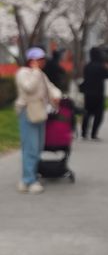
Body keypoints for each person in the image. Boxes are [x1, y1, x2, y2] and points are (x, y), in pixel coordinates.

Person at [14, 47, 62, 193]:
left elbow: (50, 87)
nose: (42, 62)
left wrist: (57, 95)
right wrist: (35, 72)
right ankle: (29, 180)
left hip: (40, 112)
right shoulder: (23, 73)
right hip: (28, 112)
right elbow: (29, 88)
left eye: (42, 59)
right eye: (40, 59)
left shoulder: (40, 74)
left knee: (38, 147)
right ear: (32, 61)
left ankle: (29, 177)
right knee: (30, 147)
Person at [81, 47, 108, 140]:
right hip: (98, 94)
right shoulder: (101, 66)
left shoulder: (87, 66)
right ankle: (93, 134)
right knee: (98, 115)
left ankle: (84, 133)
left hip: (88, 94)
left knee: (87, 113)